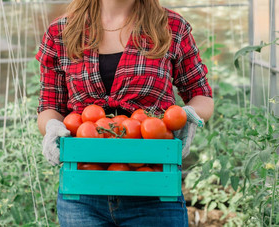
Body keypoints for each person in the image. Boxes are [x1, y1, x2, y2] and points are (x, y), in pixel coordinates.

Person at [36, 0, 214, 226]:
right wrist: (52, 126)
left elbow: (202, 95)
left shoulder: (171, 26)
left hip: (154, 189)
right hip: (83, 193)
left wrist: (188, 114)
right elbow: (49, 106)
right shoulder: (61, 32)